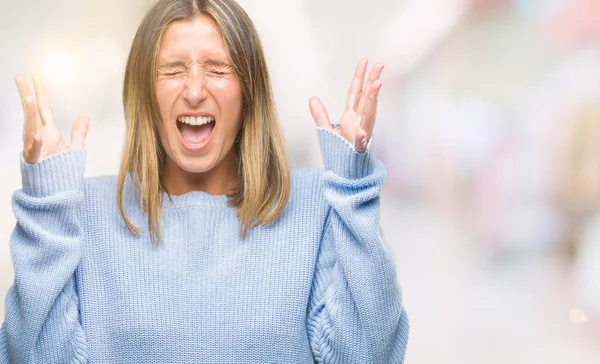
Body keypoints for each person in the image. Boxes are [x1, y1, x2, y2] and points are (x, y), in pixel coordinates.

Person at [0, 0, 409, 362]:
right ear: (145, 93)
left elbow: (369, 354)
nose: (195, 91)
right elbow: (35, 356)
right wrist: (48, 204)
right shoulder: (84, 209)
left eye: (217, 69)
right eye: (173, 70)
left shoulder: (311, 205)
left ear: (249, 91)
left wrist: (354, 187)